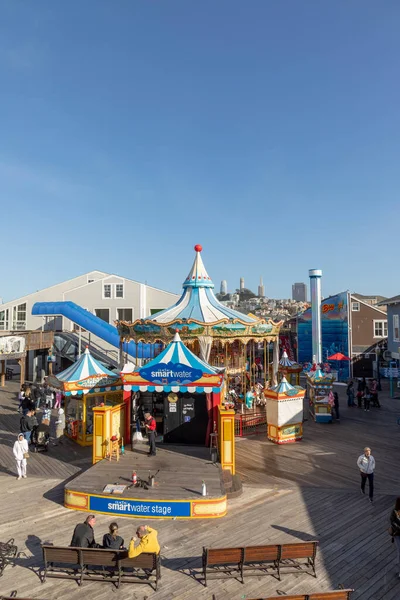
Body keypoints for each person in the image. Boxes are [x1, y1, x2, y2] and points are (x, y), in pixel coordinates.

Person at [389, 497, 400, 578]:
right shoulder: (395, 512)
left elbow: (392, 521)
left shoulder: (394, 511)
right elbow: (392, 521)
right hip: (398, 534)